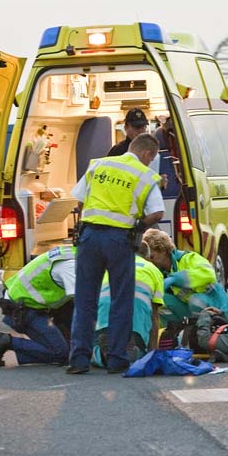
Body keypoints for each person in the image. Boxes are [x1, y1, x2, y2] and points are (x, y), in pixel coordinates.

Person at [67, 133, 164, 374]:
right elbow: (157, 214)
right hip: (119, 240)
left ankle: (79, 359)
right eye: (151, 159)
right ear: (147, 154)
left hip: (89, 236)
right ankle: (117, 358)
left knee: (85, 299)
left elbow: (79, 200)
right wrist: (137, 226)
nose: (150, 163)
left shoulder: (99, 165)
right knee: (121, 300)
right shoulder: (145, 176)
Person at [0, 246, 77, 367]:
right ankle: (6, 342)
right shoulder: (69, 266)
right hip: (23, 311)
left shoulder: (74, 253)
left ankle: (47, 347)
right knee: (62, 354)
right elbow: (84, 302)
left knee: (72, 349)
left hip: (35, 306)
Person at [142, 228, 228, 326]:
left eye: (152, 257)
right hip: (194, 311)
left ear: (163, 251)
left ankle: (202, 332)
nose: (150, 262)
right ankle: (175, 333)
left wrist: (176, 279)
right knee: (160, 300)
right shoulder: (162, 272)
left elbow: (209, 274)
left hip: (222, 314)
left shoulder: (188, 258)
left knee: (196, 300)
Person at [92, 245, 165, 368]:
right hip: (134, 325)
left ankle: (101, 353)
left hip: (104, 320)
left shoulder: (111, 267)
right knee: (137, 355)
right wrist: (152, 353)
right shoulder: (152, 269)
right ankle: (133, 351)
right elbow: (154, 316)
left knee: (94, 353)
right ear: (147, 257)